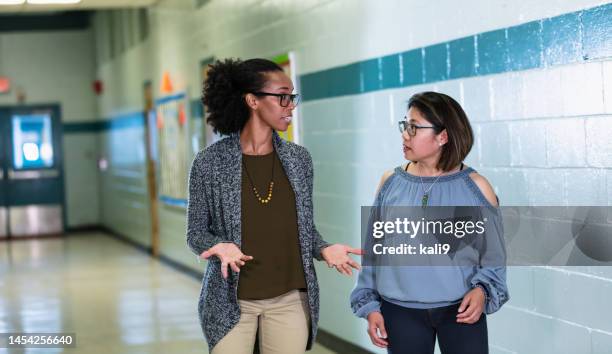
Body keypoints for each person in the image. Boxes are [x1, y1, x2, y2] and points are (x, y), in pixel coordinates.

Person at [186, 58, 362, 354]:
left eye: (292, 97)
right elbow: (195, 233)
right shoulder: (209, 162)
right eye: (282, 96)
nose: (290, 105)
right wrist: (220, 246)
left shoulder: (298, 160)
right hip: (231, 302)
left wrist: (322, 248)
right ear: (252, 100)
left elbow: (303, 228)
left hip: (290, 300)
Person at [350, 91, 509, 354]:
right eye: (405, 125)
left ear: (443, 136)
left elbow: (494, 255)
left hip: (461, 311)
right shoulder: (389, 182)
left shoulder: (477, 187)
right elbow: (374, 251)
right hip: (399, 311)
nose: (405, 135)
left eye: (414, 127)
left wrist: (482, 290)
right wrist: (369, 306)